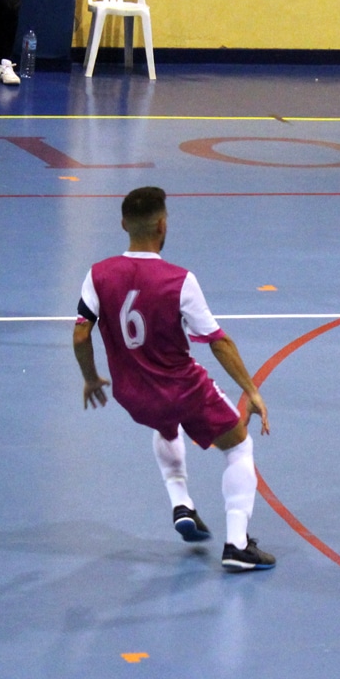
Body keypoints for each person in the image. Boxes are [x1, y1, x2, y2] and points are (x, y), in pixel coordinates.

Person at [72, 187, 276, 572]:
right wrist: (251, 391)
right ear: (163, 225)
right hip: (183, 391)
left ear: (123, 225)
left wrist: (90, 378)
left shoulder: (98, 274)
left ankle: (181, 502)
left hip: (132, 394)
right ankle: (237, 545)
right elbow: (218, 341)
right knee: (238, 449)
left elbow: (81, 333)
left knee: (166, 427)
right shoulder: (179, 280)